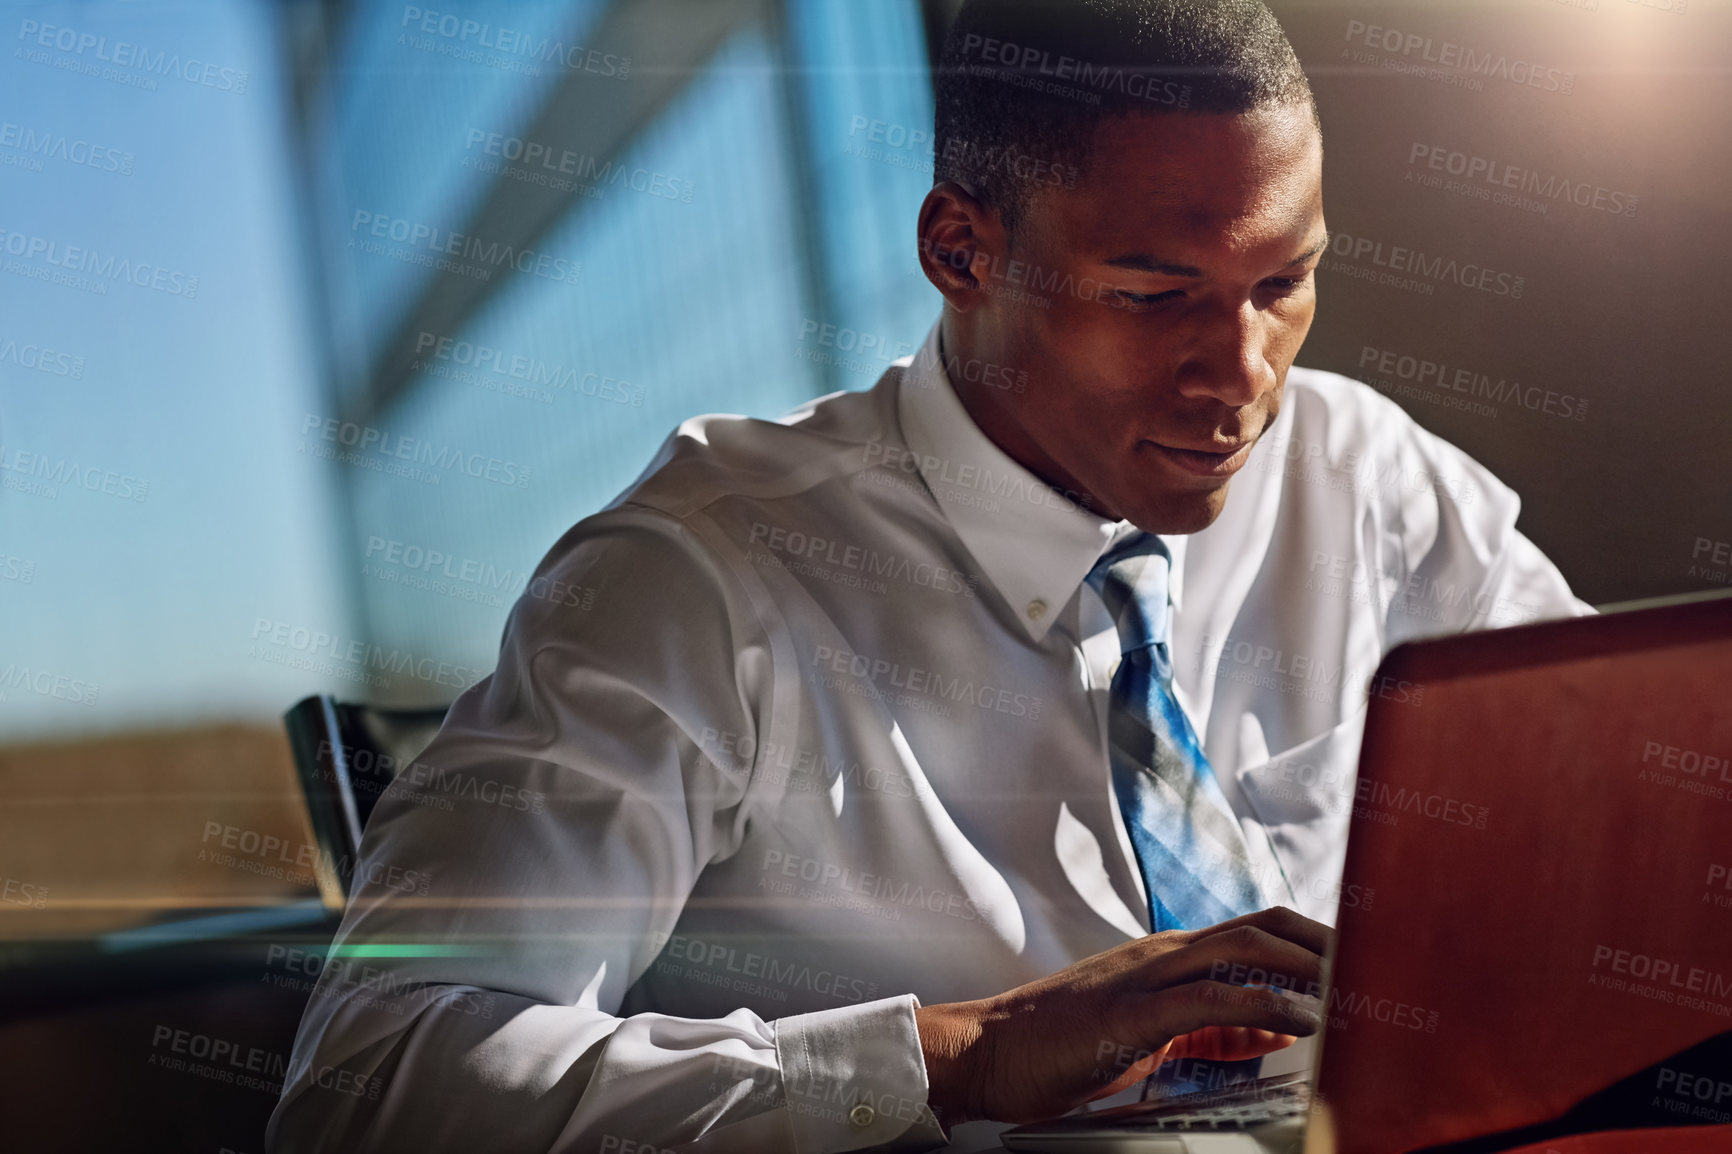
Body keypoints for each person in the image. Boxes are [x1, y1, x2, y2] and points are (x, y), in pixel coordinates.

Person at [269, 1, 1591, 1150]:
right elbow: (367, 1085)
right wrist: (961, 1055)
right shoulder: (699, 577)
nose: (1244, 377)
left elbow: (1631, 815)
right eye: (1154, 294)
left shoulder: (1365, 474)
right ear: (961, 250)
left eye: (1285, 281)